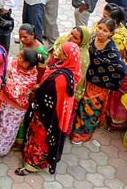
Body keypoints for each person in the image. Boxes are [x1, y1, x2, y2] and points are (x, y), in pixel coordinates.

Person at [16, 41, 81, 176]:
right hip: (45, 112)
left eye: (62, 51)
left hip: (47, 116)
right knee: (35, 136)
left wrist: (38, 89)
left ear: (67, 56)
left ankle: (33, 165)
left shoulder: (62, 79)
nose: (59, 52)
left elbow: (49, 95)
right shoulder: (66, 68)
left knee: (40, 139)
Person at [70, 18, 127, 144]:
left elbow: (121, 69)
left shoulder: (111, 50)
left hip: (98, 86)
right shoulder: (91, 38)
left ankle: (81, 136)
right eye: (99, 28)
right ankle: (73, 129)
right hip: (85, 79)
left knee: (88, 110)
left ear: (111, 34)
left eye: (105, 31)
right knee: (78, 106)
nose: (101, 32)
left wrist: (104, 79)